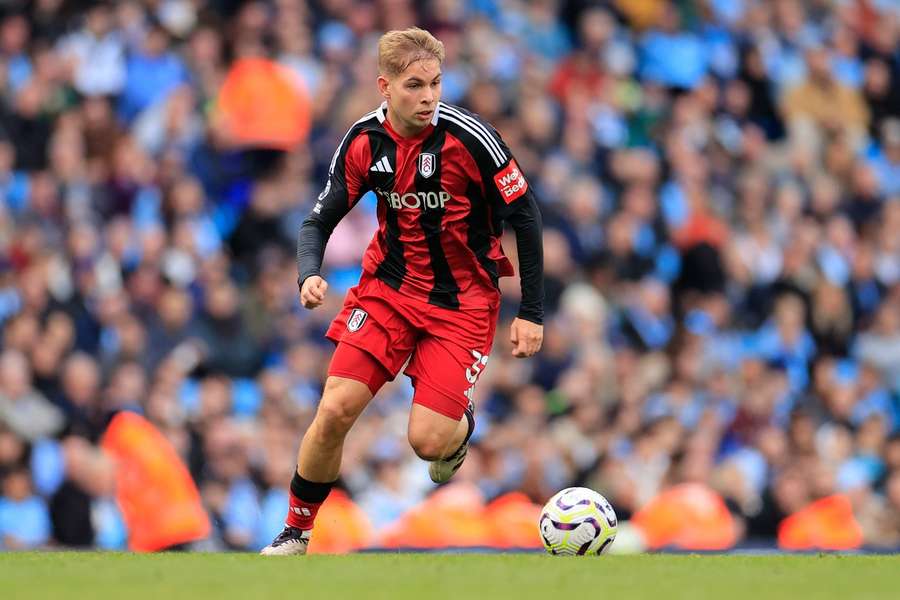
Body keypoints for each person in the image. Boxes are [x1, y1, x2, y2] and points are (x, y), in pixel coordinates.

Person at [261, 27, 545, 555]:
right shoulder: (364, 140)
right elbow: (318, 219)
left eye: (436, 83)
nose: (429, 97)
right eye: (415, 85)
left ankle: (459, 427)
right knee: (335, 409)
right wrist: (308, 273)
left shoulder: (471, 140)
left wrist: (531, 310)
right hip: (388, 292)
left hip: (462, 303)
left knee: (427, 443)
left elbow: (525, 216)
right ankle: (296, 533)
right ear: (384, 87)